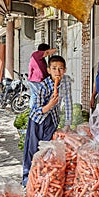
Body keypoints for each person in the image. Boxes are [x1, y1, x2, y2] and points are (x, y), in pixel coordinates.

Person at [22, 55, 72, 187]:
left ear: (65, 70)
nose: (58, 72)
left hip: (53, 120)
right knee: (32, 150)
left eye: (61, 68)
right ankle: (27, 181)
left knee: (47, 150)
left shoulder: (66, 81)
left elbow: (68, 102)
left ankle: (44, 179)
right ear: (49, 70)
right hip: (38, 121)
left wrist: (68, 123)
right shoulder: (42, 87)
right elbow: (36, 109)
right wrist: (50, 105)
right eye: (54, 68)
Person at [28, 43, 57, 108]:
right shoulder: (36, 54)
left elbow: (43, 70)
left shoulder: (41, 58)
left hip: (35, 80)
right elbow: (47, 52)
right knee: (36, 96)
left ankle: (34, 110)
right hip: (35, 80)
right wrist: (57, 48)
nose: (47, 55)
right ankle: (34, 110)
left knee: (36, 96)